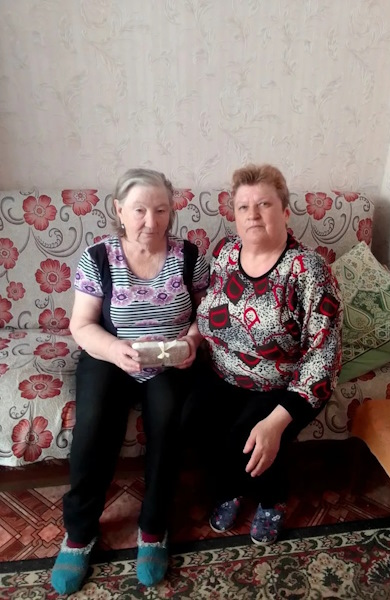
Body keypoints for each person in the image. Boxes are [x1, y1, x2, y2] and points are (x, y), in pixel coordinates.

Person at [51, 168, 209, 595]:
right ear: (119, 210)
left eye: (161, 210)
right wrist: (115, 350)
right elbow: (82, 325)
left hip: (169, 359)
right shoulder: (99, 257)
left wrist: (191, 341)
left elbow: (207, 313)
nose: (151, 222)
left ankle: (154, 527)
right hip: (110, 353)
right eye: (139, 210)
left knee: (169, 420)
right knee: (92, 424)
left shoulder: (189, 256)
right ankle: (79, 533)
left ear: (171, 211)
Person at [191, 164, 343, 545]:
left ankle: (272, 499)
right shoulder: (225, 253)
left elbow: (323, 358)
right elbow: (208, 312)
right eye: (243, 207)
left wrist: (277, 421)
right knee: (189, 419)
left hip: (287, 383)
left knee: (250, 436)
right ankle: (232, 486)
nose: (253, 214)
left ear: (285, 212)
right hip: (224, 373)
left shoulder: (308, 270)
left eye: (264, 204)